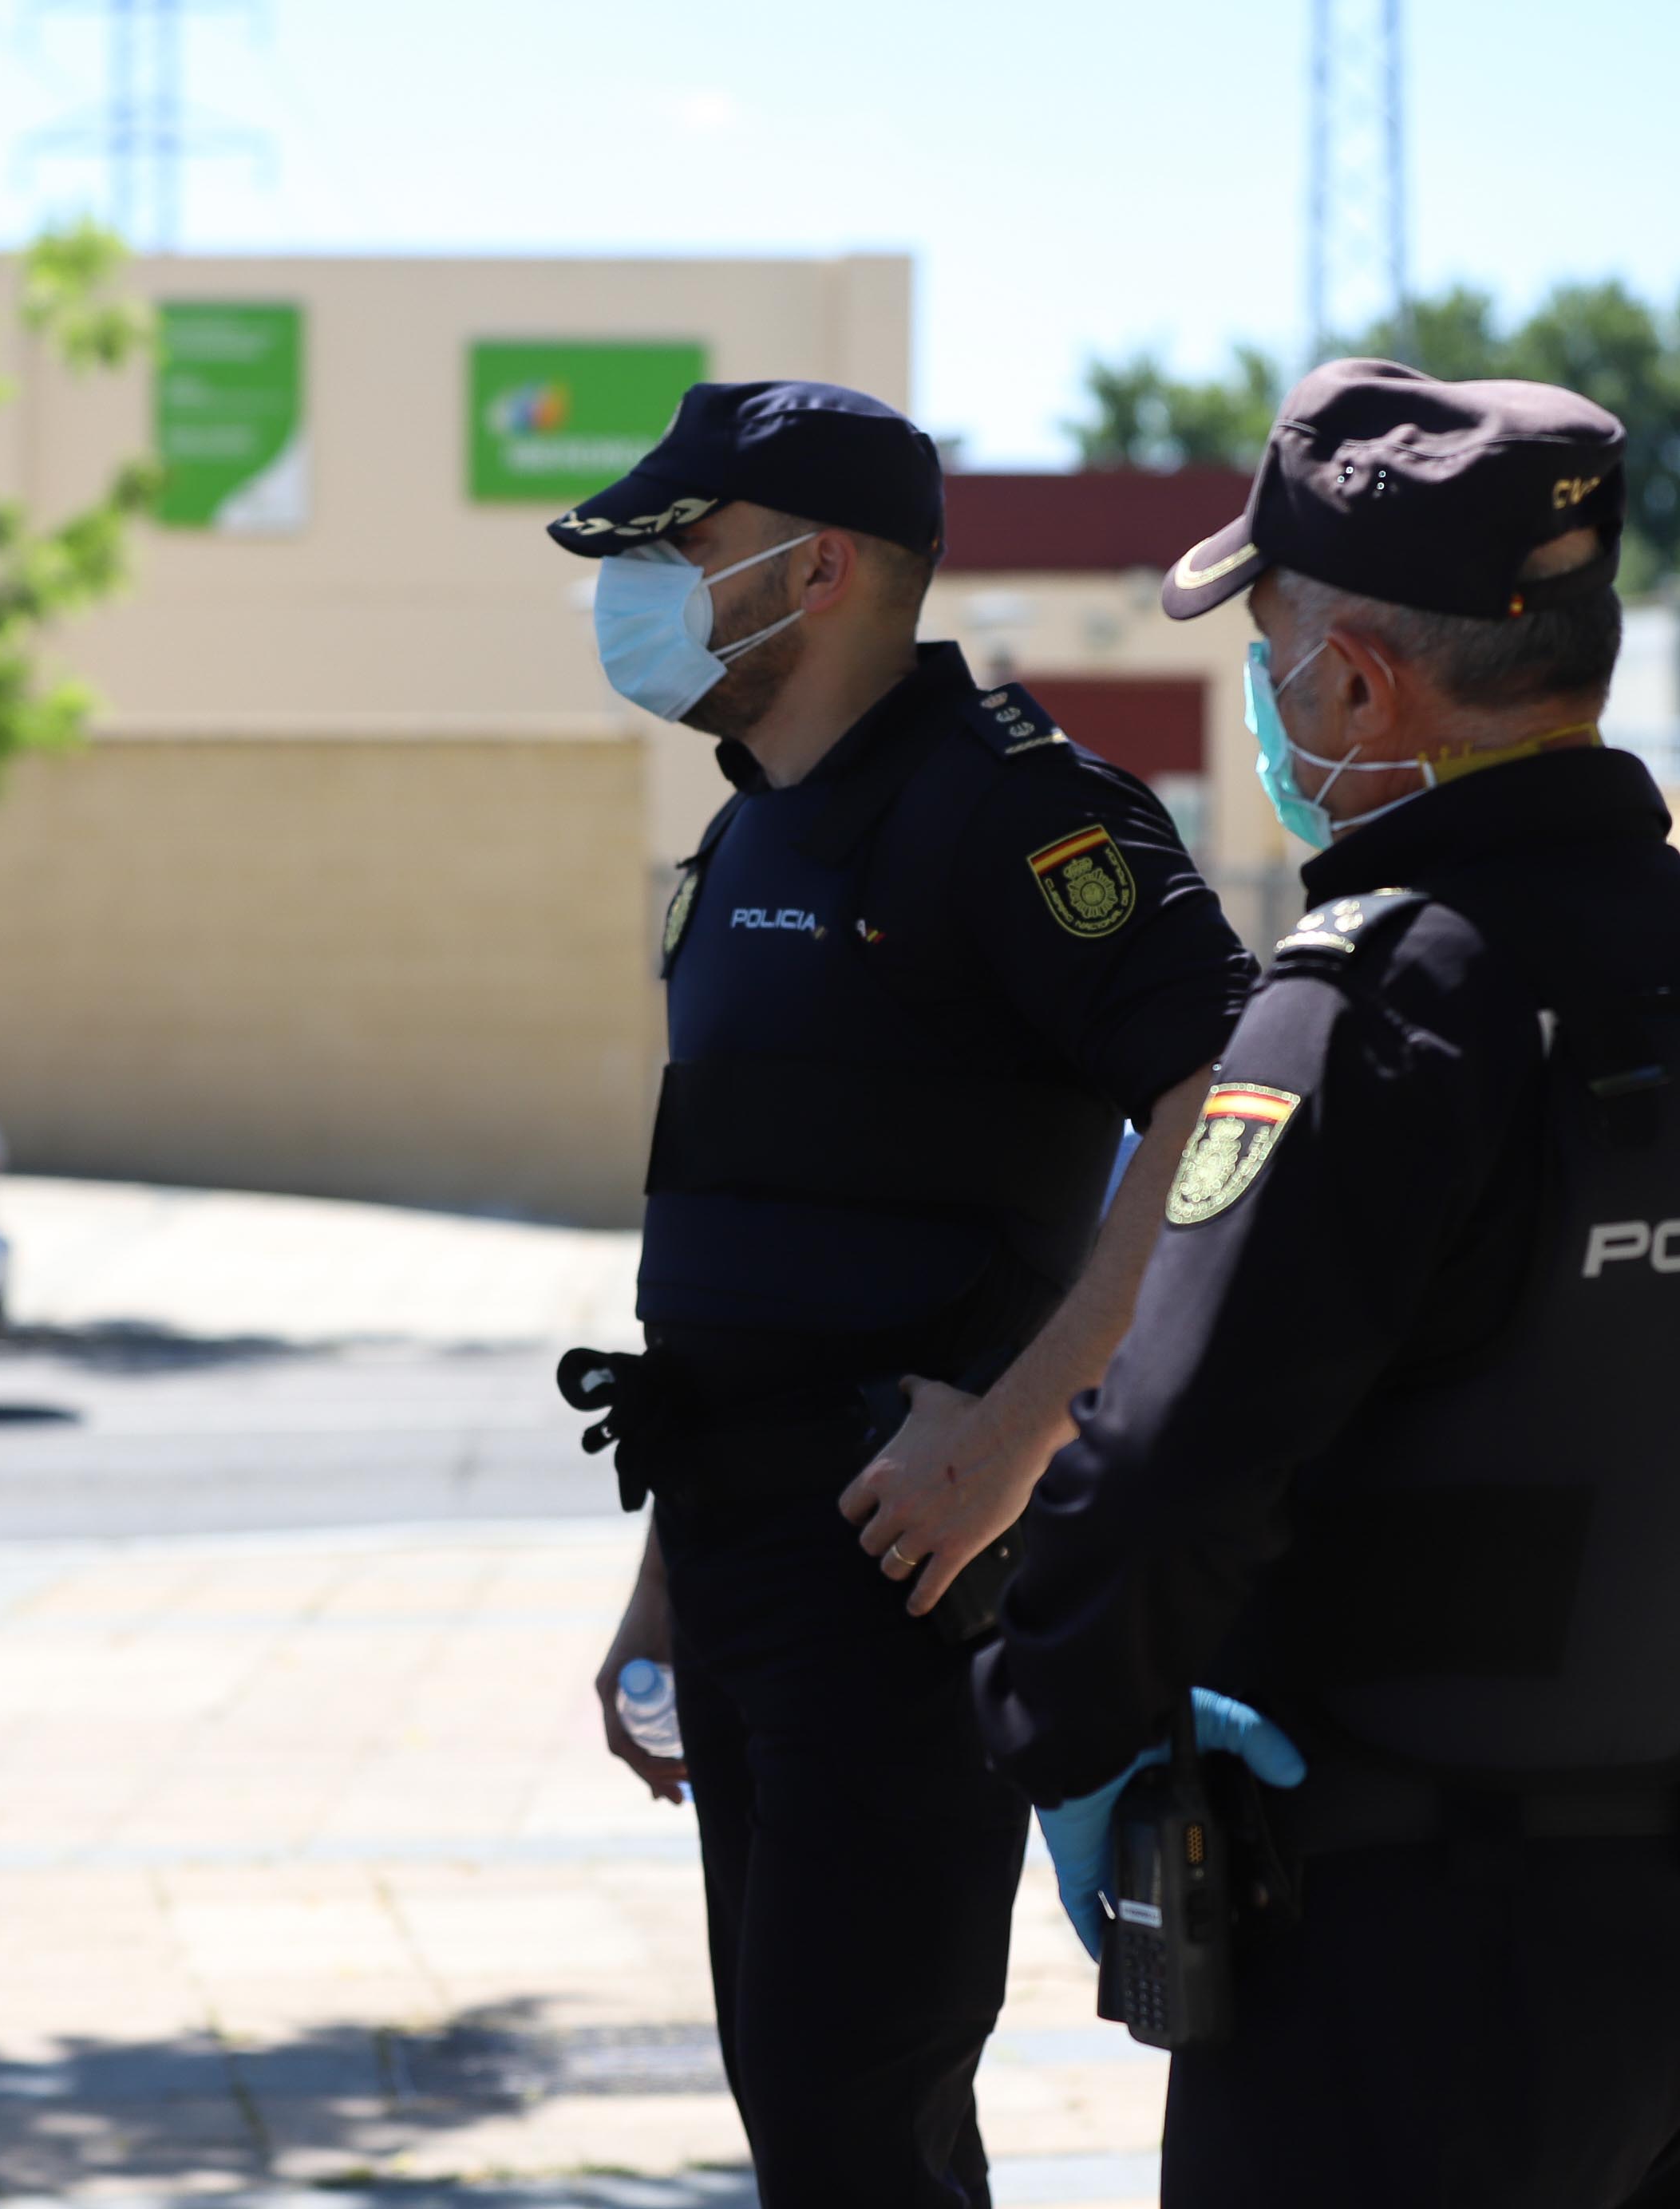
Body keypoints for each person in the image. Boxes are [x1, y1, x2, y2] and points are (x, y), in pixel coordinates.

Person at [973, 358, 1680, 2207]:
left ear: (1353, 680)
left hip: (1397, 1980)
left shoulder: (1377, 1008)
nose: (1262, 692)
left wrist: (1057, 1738)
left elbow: (1166, 1467)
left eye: (1266, 646)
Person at [550, 380, 1253, 2205]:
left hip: (904, 1563)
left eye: (684, 552)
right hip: (742, 1554)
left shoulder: (1009, 812)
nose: (644, 597)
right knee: (808, 2117)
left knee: (856, 2119)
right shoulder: (749, 832)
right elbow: (730, 1251)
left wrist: (1023, 1435)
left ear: (823, 569)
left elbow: (1232, 1096)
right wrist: (665, 1574)